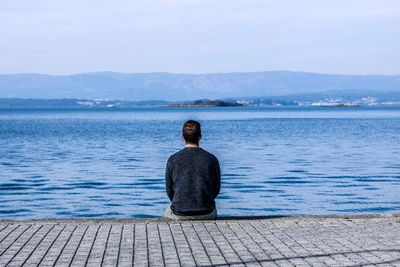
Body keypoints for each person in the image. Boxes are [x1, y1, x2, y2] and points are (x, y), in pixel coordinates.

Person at [164, 120, 221, 220]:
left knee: (166, 212)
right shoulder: (212, 159)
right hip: (206, 212)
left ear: (182, 136)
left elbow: (169, 191)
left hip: (179, 213)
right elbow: (216, 189)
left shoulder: (172, 159)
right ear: (200, 136)